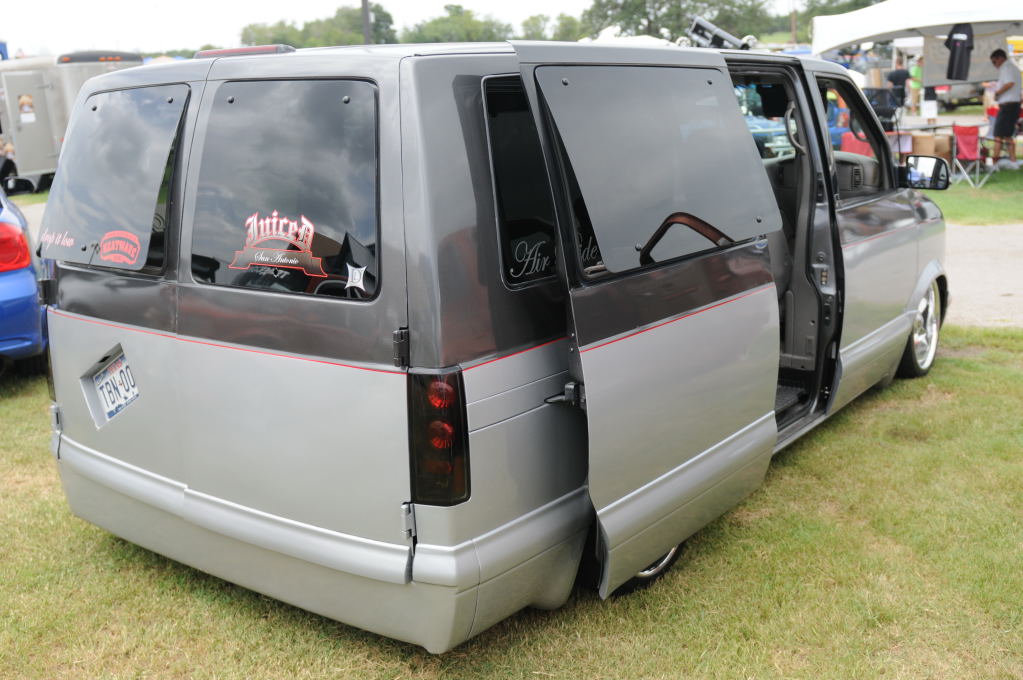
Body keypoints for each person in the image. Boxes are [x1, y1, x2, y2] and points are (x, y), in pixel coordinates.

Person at [989, 49, 1021, 169]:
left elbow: (1009, 83)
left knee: (998, 135)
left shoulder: (1006, 68)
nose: (994, 65)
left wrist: (997, 93)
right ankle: (1013, 161)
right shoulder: (1013, 67)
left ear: (1000, 59)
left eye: (994, 62)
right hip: (1013, 105)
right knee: (1007, 135)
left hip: (1008, 106)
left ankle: (994, 163)